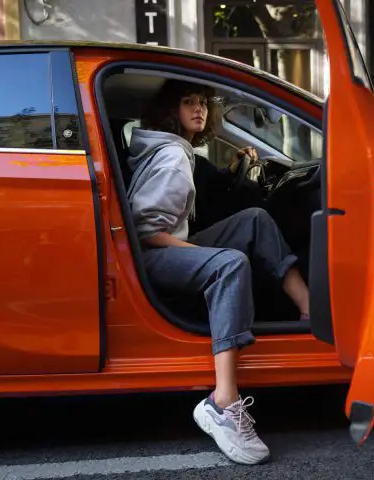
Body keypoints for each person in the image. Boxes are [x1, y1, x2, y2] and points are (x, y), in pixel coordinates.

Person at [125, 79, 311, 465]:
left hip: (164, 244)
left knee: (255, 219)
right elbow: (145, 232)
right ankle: (222, 402)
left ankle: (309, 309)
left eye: (203, 103)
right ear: (169, 111)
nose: (199, 109)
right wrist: (200, 252)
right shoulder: (172, 157)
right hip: (148, 258)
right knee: (229, 262)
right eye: (188, 102)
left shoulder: (174, 150)